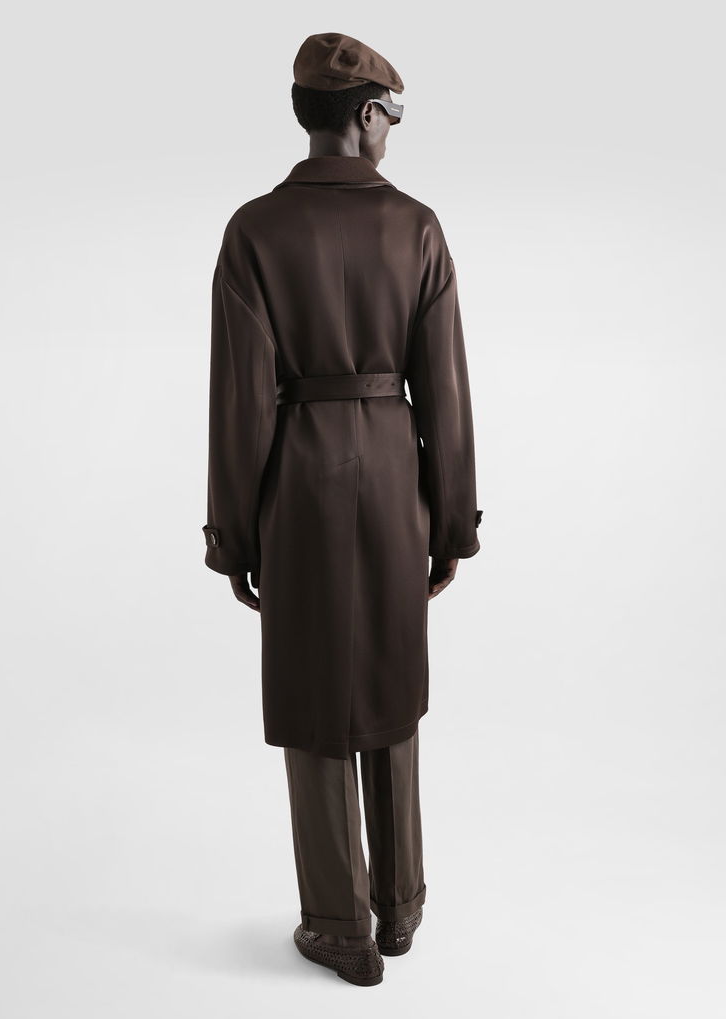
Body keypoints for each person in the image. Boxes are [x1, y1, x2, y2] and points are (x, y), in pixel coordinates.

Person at [202, 32, 483, 986]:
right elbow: (445, 394)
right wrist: (453, 522)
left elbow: (239, 402)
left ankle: (338, 926)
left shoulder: (253, 231)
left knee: (316, 698)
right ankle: (399, 907)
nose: (393, 130)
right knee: (392, 686)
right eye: (392, 114)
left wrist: (233, 535)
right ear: (366, 115)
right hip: (396, 485)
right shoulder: (418, 227)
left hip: (301, 485)